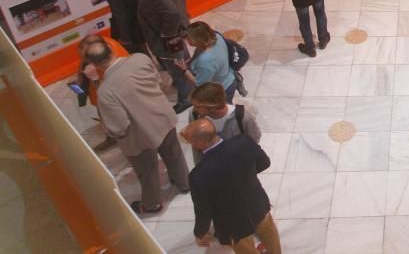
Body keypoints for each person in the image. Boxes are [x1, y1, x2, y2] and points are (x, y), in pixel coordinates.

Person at [88, 41, 189, 214]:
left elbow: (119, 126)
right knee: (174, 154)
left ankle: (152, 204)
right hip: (163, 118)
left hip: (140, 137)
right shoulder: (140, 59)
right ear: (111, 49)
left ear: (94, 65)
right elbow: (159, 83)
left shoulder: (105, 91)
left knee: (148, 172)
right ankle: (184, 183)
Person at [183, 119, 281, 253]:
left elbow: (204, 210)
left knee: (245, 248)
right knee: (268, 232)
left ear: (199, 143)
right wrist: (245, 175)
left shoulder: (198, 175)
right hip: (257, 203)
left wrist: (200, 232)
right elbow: (264, 163)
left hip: (231, 223)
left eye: (190, 141)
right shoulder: (244, 142)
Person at [126, 0, 192, 113]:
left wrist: (166, 34)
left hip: (169, 38)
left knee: (176, 65)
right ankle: (189, 82)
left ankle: (187, 97)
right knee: (182, 60)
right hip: (177, 30)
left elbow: (171, 13)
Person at [75, 34, 128, 151]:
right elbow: (83, 62)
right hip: (98, 93)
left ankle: (124, 140)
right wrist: (80, 74)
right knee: (104, 115)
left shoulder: (114, 62)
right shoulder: (96, 49)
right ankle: (111, 138)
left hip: (112, 96)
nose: (84, 59)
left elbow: (108, 90)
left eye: (86, 57)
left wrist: (94, 79)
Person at [188, 82, 262, 164]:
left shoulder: (243, 118)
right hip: (210, 167)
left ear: (213, 106)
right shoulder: (194, 115)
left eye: (198, 106)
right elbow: (196, 145)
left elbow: (254, 139)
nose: (194, 109)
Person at [179, 22, 237, 102]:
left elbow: (200, 84)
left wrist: (184, 69)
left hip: (222, 90)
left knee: (222, 112)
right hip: (228, 78)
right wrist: (192, 61)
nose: (186, 40)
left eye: (188, 38)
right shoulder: (217, 36)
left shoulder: (206, 62)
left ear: (197, 40)